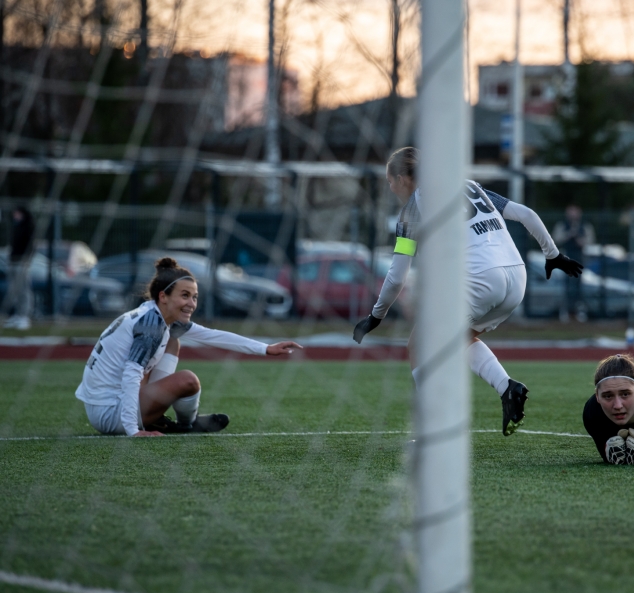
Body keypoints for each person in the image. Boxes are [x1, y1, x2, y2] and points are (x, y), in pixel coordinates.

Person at [353, 146, 584, 436]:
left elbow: (397, 276)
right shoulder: (471, 186)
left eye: (390, 182)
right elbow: (526, 214)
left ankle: (431, 430)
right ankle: (507, 388)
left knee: (418, 346)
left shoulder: (412, 208)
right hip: (517, 279)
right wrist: (553, 255)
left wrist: (375, 317)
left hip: (479, 281)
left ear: (401, 178)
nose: (390, 188)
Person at [76, 257, 302, 437]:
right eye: (185, 296)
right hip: (109, 413)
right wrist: (133, 430)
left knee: (173, 342)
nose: (191, 304)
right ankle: (187, 425)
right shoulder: (151, 325)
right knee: (188, 381)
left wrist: (265, 348)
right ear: (163, 296)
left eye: (194, 297)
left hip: (101, 407)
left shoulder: (155, 315)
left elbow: (213, 336)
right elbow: (131, 374)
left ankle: (164, 419)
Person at [551, 205, 595, 322]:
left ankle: (578, 312)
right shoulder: (562, 225)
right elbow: (556, 239)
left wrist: (578, 237)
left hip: (579, 259)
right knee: (566, 286)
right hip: (565, 259)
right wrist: (569, 234)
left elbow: (589, 241)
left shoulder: (585, 226)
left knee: (578, 286)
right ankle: (566, 312)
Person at [4, 205, 35, 330]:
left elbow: (30, 245)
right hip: (13, 261)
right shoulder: (15, 227)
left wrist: (26, 259)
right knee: (14, 290)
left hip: (22, 261)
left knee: (23, 289)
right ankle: (17, 315)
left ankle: (24, 316)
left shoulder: (28, 227)